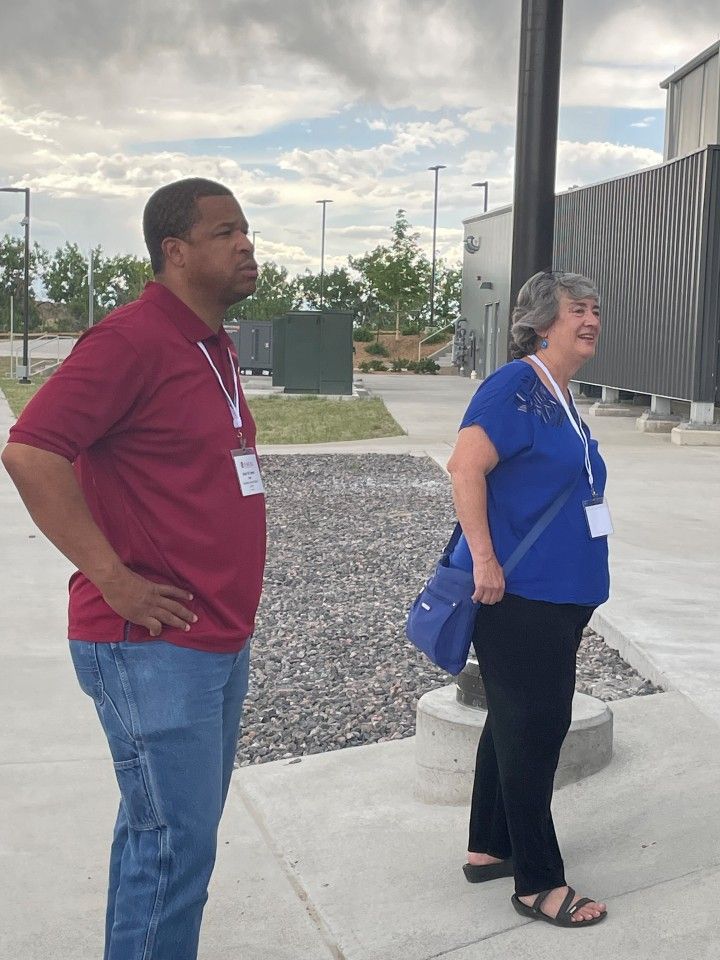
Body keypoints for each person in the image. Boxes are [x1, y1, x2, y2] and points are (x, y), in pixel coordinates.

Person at [2, 178, 266, 959]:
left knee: (165, 839)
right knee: (174, 851)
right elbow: (30, 451)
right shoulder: (130, 340)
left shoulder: (211, 344)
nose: (247, 244)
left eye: (246, 229)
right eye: (225, 233)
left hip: (214, 638)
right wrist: (111, 575)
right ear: (174, 253)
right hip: (150, 646)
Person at [446, 270, 611, 929]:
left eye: (596, 310)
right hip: (521, 597)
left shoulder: (561, 397)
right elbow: (464, 467)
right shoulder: (516, 386)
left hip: (562, 597)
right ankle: (538, 882)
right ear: (544, 323)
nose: (591, 319)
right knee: (536, 728)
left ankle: (488, 848)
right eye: (578, 310)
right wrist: (484, 557)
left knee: (512, 719)